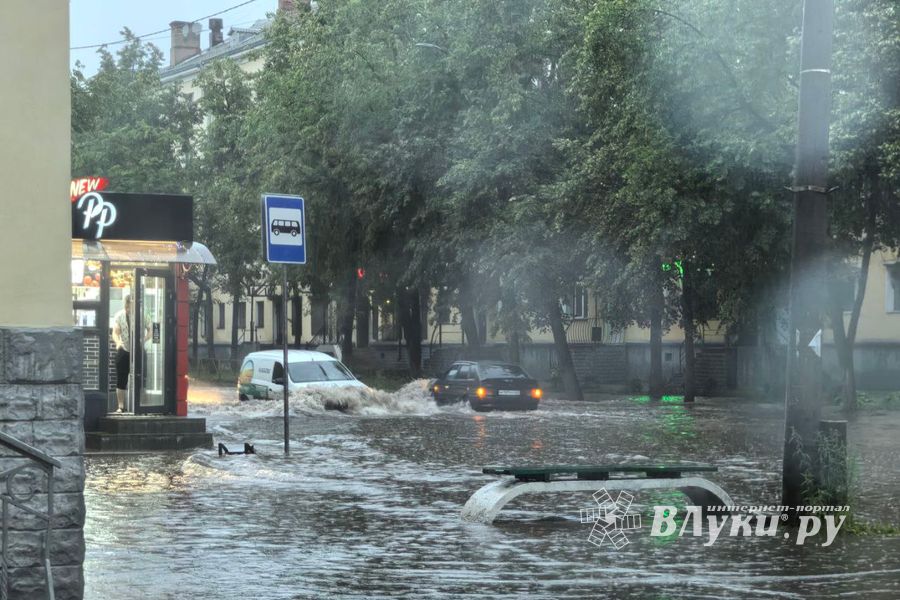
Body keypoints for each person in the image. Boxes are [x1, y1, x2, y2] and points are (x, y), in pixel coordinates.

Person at [111, 294, 132, 413]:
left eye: (130, 306)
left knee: (140, 377)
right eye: (127, 306)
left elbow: (151, 328)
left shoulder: (142, 314)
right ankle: (121, 406)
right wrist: (118, 342)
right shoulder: (119, 315)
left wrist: (144, 340)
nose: (129, 309)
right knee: (121, 379)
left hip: (137, 350)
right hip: (123, 349)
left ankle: (142, 405)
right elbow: (114, 332)